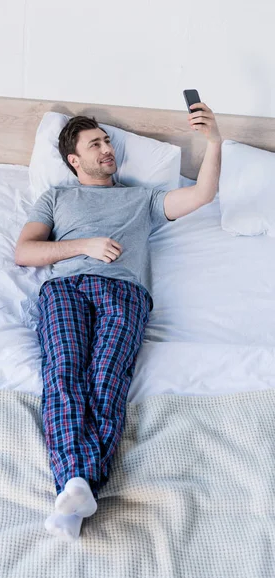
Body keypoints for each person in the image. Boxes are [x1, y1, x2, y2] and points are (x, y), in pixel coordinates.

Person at [15, 102, 221, 542]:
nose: (107, 149)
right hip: (66, 290)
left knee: (107, 377)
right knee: (65, 372)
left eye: (108, 142)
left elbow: (201, 195)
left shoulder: (141, 198)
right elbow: (26, 252)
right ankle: (80, 484)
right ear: (74, 160)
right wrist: (82, 245)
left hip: (125, 294)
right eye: (96, 144)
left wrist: (214, 142)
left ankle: (74, 489)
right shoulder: (57, 197)